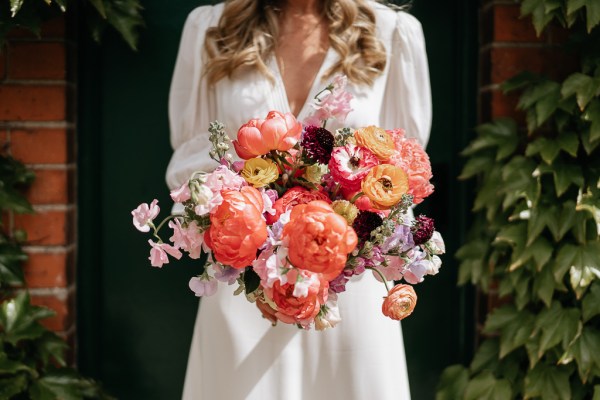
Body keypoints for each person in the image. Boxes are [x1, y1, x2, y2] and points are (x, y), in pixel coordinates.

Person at [166, 0, 431, 399]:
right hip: (246, 289)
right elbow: (192, 161)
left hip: (351, 289)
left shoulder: (392, 33)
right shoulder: (210, 27)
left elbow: (404, 172)